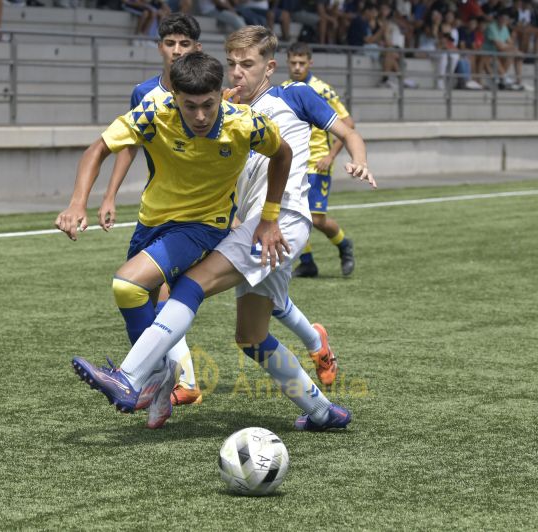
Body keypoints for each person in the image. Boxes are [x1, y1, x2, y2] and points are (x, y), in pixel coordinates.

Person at [72, 26, 375, 431]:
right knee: (252, 338)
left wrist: (356, 161)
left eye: (246, 64)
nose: (237, 73)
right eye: (232, 63)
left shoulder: (290, 97)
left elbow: (325, 139)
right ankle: (323, 412)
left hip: (280, 222)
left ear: (269, 66)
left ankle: (131, 376)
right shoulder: (225, 108)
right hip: (260, 224)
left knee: (189, 285)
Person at [59, 51, 291, 429]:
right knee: (146, 306)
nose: (200, 116)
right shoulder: (154, 114)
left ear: (221, 94)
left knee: (126, 284)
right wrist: (77, 203)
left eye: (208, 105)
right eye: (189, 106)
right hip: (150, 223)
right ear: (174, 99)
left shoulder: (246, 124)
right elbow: (98, 148)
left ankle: (137, 378)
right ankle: (164, 382)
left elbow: (283, 155)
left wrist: (269, 218)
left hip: (203, 226)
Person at [97, 13, 205, 406]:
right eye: (170, 43)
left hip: (199, 213)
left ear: (196, 48)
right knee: (156, 292)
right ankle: (180, 381)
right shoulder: (144, 92)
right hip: (157, 208)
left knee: (155, 288)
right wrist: (109, 196)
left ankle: (163, 379)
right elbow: (128, 145)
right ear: (159, 46)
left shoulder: (207, 91)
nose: (176, 50)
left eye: (184, 44)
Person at [283, 42, 359, 279]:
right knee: (291, 214)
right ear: (287, 62)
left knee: (316, 219)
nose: (297, 67)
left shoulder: (322, 90)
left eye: (301, 63)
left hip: (317, 163)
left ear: (310, 63)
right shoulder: (283, 89)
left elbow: (348, 125)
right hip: (293, 164)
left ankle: (344, 244)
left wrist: (330, 155)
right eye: (293, 62)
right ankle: (307, 262)